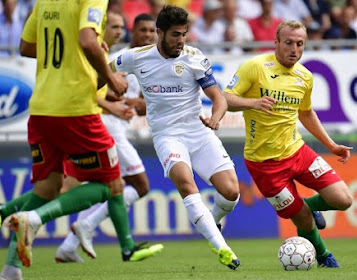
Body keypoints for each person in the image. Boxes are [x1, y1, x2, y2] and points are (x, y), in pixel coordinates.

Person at [0, 1, 146, 279]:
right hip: (76, 108)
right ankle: (35, 219)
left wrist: (73, 51)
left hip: (42, 107)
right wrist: (110, 77)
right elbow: (88, 41)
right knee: (111, 185)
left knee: (48, 188)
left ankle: (10, 269)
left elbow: (26, 47)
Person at [111, 5, 241, 270]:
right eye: (175, 35)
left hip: (199, 132)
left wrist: (215, 118)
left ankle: (211, 221)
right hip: (167, 136)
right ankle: (223, 248)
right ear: (159, 33)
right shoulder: (136, 57)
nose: (181, 41)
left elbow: (218, 97)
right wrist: (107, 85)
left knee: (231, 192)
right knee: (185, 182)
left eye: (184, 34)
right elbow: (102, 69)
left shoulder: (194, 57)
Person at [222, 20, 353, 268]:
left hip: (297, 151)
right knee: (302, 220)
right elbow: (225, 98)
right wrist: (253, 103)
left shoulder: (304, 76)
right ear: (277, 43)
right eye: (289, 43)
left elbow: (306, 113)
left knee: (343, 199)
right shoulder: (255, 67)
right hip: (264, 164)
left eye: (300, 44)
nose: (294, 49)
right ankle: (324, 257)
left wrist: (332, 145)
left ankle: (304, 205)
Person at [55, 12, 162, 263]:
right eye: (142, 30)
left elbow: (145, 105)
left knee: (112, 188)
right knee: (140, 185)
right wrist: (125, 102)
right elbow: (93, 93)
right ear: (131, 32)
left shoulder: (154, 65)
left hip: (118, 128)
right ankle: (84, 226)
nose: (147, 35)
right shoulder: (116, 60)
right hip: (106, 127)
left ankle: (69, 245)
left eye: (151, 31)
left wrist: (138, 103)